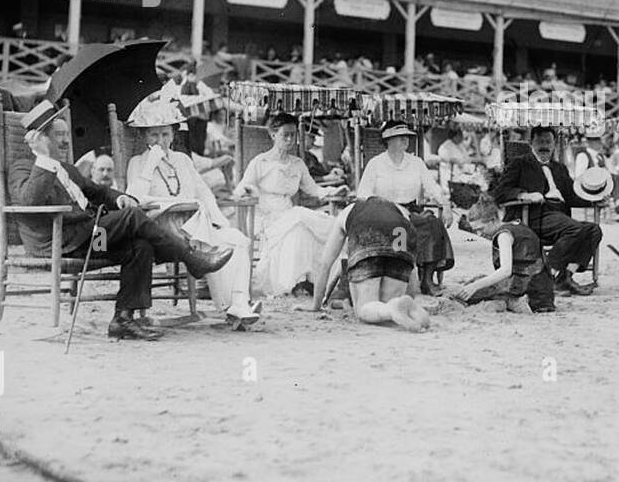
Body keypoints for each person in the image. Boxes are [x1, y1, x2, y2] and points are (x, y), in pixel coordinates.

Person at [8, 100, 233, 340]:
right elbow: (29, 203)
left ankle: (122, 319)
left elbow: (100, 192)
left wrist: (122, 198)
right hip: (58, 242)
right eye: (59, 135)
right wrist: (43, 159)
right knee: (132, 217)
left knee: (140, 247)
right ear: (40, 139)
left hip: (92, 241)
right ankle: (191, 258)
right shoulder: (22, 168)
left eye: (66, 134)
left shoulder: (68, 169)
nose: (65, 141)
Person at [123, 99, 260, 328]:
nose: (160, 141)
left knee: (237, 239)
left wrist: (220, 222)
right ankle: (230, 306)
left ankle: (238, 303)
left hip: (193, 225)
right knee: (213, 244)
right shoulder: (137, 163)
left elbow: (204, 193)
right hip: (161, 229)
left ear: (173, 134)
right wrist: (151, 166)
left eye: (165, 135)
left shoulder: (183, 160)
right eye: (154, 136)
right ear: (145, 137)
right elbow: (134, 198)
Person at [235, 112, 343, 297]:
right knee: (300, 219)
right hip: (264, 216)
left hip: (287, 213)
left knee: (301, 227)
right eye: (285, 134)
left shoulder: (298, 163)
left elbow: (314, 190)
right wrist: (250, 191)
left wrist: (334, 191)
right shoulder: (261, 162)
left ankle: (307, 281)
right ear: (273, 135)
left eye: (293, 135)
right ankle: (292, 282)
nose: (290, 139)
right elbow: (241, 189)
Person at [492, 126, 602, 295]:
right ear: (531, 143)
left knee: (593, 230)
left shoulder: (560, 168)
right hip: (534, 215)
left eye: (548, 142)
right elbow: (500, 193)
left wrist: (595, 198)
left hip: (559, 215)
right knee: (574, 228)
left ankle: (565, 276)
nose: (544, 146)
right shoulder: (520, 163)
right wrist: (524, 195)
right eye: (540, 142)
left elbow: (572, 197)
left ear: (554, 144)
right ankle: (547, 275)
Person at [356, 120, 455, 294]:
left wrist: (445, 205)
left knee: (433, 223)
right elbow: (362, 194)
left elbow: (433, 188)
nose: (406, 140)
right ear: (388, 140)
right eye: (401, 137)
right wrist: (383, 207)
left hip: (411, 211)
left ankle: (427, 279)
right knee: (399, 229)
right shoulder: (376, 163)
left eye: (407, 137)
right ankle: (399, 277)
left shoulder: (416, 163)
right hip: (384, 213)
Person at [309, 196, 431, 332]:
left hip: (366, 235)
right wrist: (411, 294)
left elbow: (325, 264)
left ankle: (391, 309)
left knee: (366, 308)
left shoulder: (347, 212)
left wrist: (316, 305)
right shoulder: (399, 209)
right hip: (400, 242)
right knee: (391, 303)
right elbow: (411, 264)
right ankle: (417, 316)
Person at [453, 194, 556, 313]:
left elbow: (505, 271)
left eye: (481, 229)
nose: (480, 234)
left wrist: (474, 287)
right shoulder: (515, 225)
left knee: (473, 290)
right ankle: (512, 300)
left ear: (492, 221)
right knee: (478, 282)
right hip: (543, 287)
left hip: (530, 289)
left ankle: (514, 301)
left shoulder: (504, 235)